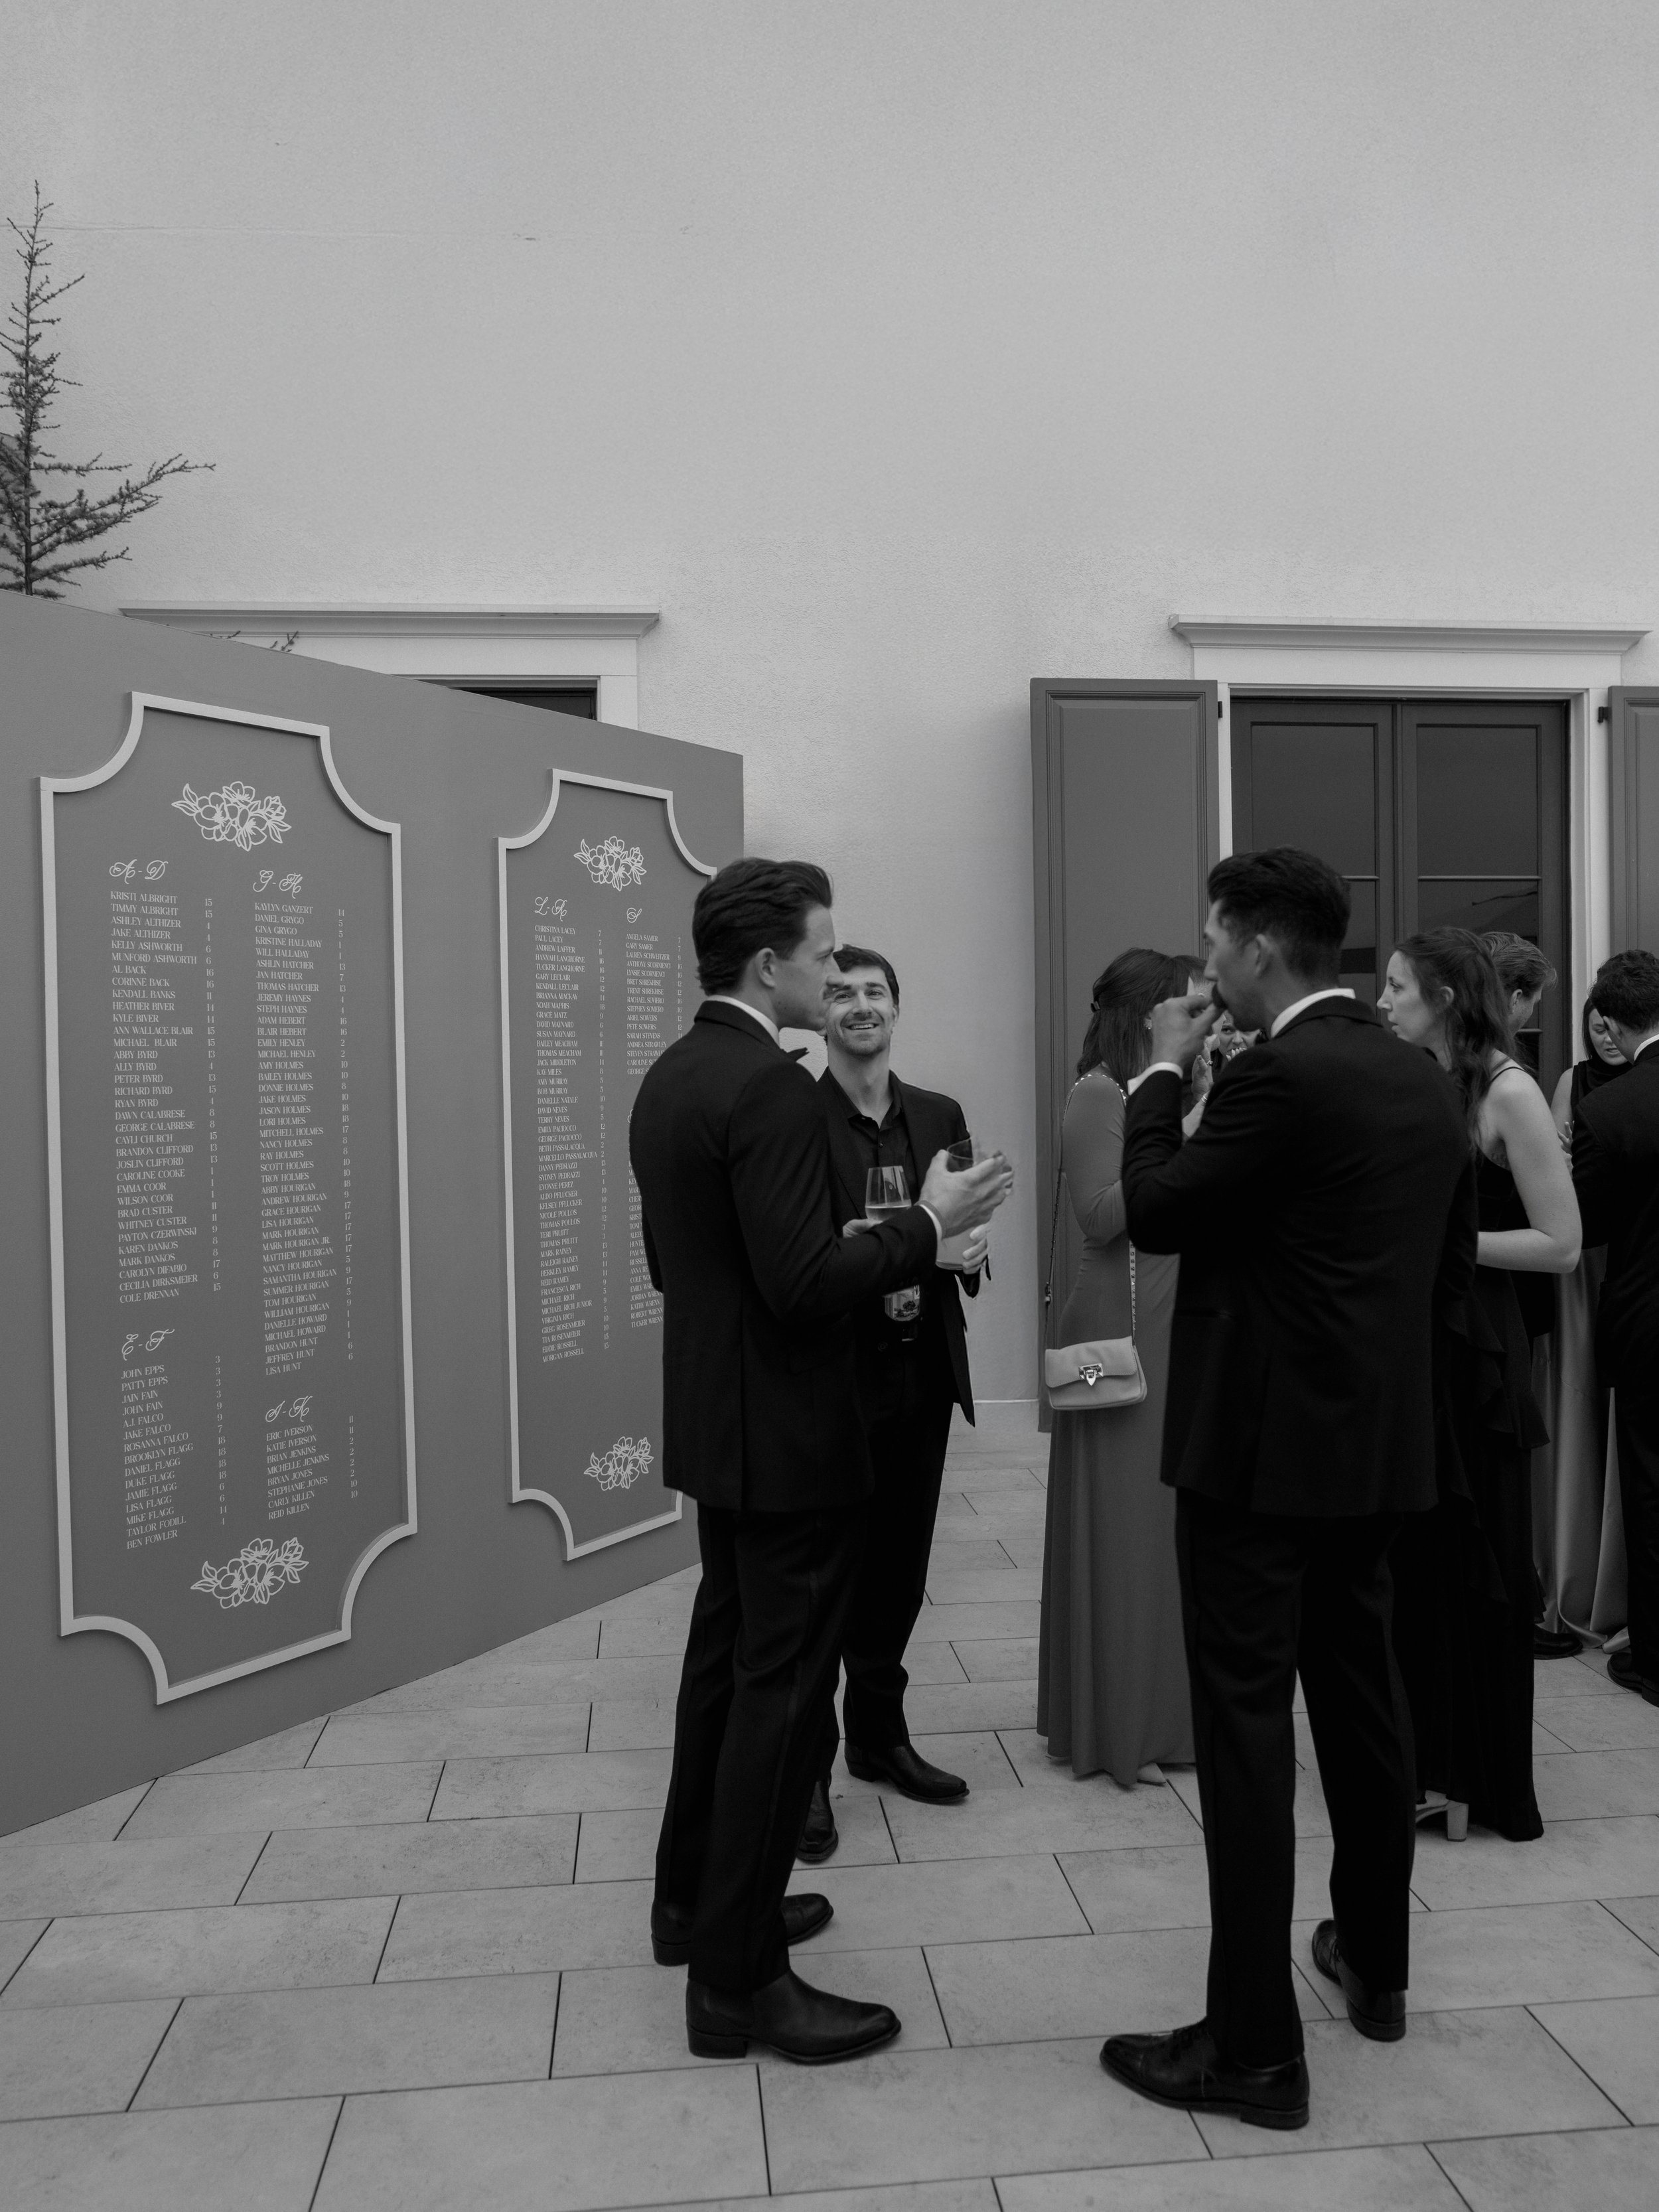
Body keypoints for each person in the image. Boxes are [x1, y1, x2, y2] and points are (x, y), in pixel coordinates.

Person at [1100, 848, 1476, 2134]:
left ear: (1256, 950)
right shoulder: (1421, 1082)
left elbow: (1152, 1209)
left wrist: (1155, 1072)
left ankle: (1253, 2047)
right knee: (1364, 1710)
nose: (1199, 969)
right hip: (1371, 1456)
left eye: (1209, 944)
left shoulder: (1279, 1075)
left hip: (1256, 1465)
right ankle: (1374, 1965)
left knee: (1248, 1737)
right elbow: (1437, 1278)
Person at [631, 858, 1013, 2064]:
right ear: (769, 967)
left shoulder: (673, 1077)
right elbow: (803, 1286)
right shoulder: (776, 1094)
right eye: (821, 955)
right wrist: (926, 1227)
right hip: (794, 1438)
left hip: (719, 1426)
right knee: (780, 1697)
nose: (833, 971)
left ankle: (697, 1904)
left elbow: (676, 1266)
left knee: (723, 1666)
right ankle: (740, 1983)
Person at [1379, 929, 1580, 1842]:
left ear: (1447, 1002)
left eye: (1397, 989)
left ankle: (1480, 1776)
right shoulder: (1422, 1083)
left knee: (1481, 1564)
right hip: (1420, 1345)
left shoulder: (1511, 1091)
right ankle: (1424, 1759)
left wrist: (1445, 1249)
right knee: (1417, 1565)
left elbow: (1562, 1244)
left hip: (1481, 1347)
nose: (1381, 1003)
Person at [798, 944, 987, 1850]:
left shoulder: (942, 1114)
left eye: (875, 992)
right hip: (833, 1377)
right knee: (825, 1578)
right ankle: (807, 1767)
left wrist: (972, 1249)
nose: (860, 1006)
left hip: (919, 1371)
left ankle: (879, 1736)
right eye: (842, 994)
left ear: (897, 1009)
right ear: (823, 1013)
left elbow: (963, 1230)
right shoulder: (795, 1116)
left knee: (900, 1571)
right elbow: (801, 1248)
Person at [1037, 948, 1202, 1787]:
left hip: (1181, 1316)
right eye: (1190, 1007)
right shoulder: (1099, 1093)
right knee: (1131, 1526)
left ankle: (1172, 1712)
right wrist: (1191, 1139)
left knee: (1174, 1526)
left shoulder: (1171, 1091)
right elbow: (1102, 1217)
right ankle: (1121, 1720)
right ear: (1150, 1015)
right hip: (1125, 1321)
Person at [1572, 949, 1659, 1706]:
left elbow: (1585, 1227)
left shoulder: (1608, 1110)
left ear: (1609, 1021)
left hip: (1649, 1322)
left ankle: (1655, 1659)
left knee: (1652, 1487)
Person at [1536, 1005, 1633, 1652]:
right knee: (1579, 1405)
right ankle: (1575, 1577)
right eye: (1595, 1023)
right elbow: (1554, 1164)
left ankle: (1621, 1584)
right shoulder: (1572, 1081)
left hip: (1626, 1251)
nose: (1603, 1035)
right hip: (1580, 1260)